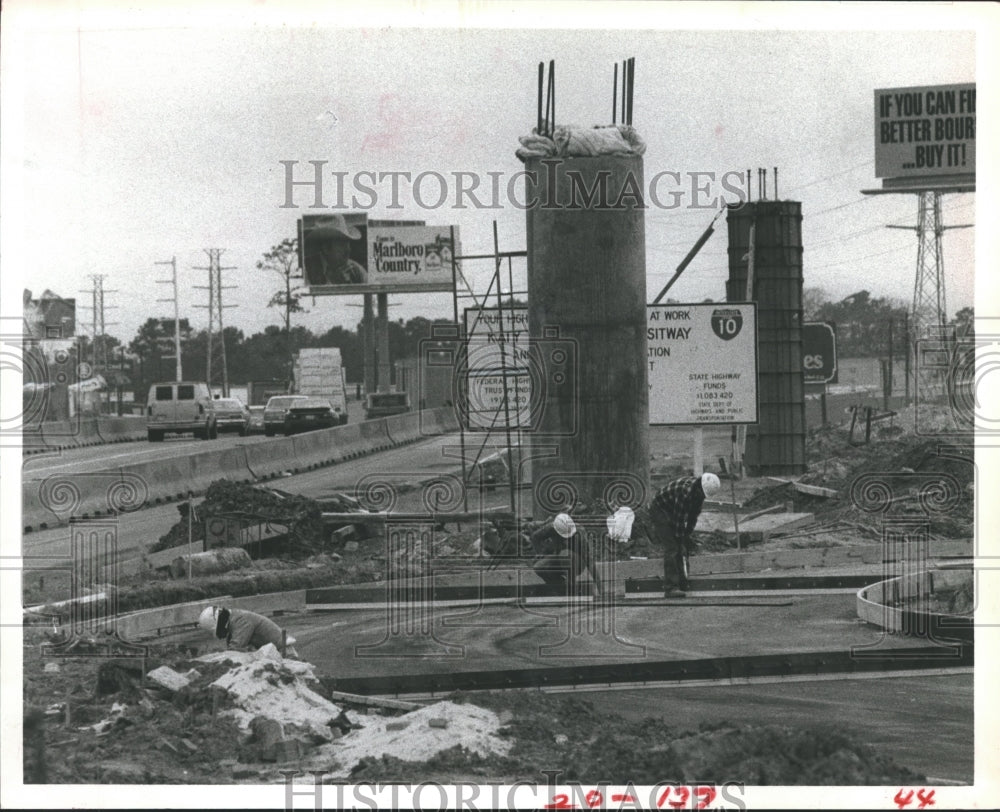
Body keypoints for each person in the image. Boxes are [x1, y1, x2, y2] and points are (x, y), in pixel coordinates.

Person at [647, 472, 721, 597]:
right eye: (702, 494)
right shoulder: (685, 493)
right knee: (673, 547)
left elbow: (693, 517)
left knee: (681, 545)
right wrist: (681, 539)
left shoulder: (699, 493)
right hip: (659, 509)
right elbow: (678, 520)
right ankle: (671, 588)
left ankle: (682, 581)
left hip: (671, 509)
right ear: (699, 487)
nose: (702, 497)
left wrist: (687, 535)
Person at [530, 513, 603, 597]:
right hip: (560, 558)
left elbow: (589, 561)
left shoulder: (579, 533)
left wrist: (600, 588)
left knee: (565, 554)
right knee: (539, 567)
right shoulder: (551, 528)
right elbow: (535, 537)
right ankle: (561, 590)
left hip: (578, 562)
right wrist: (540, 553)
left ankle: (573, 590)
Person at [198, 605, 299, 658]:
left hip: (284, 652)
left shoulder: (240, 621)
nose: (220, 635)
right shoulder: (234, 620)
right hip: (273, 653)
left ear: (219, 623)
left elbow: (234, 650)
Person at [306, 215, 366, 285]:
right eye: (342, 245)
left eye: (348, 244)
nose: (348, 249)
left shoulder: (356, 270)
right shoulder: (307, 270)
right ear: (326, 248)